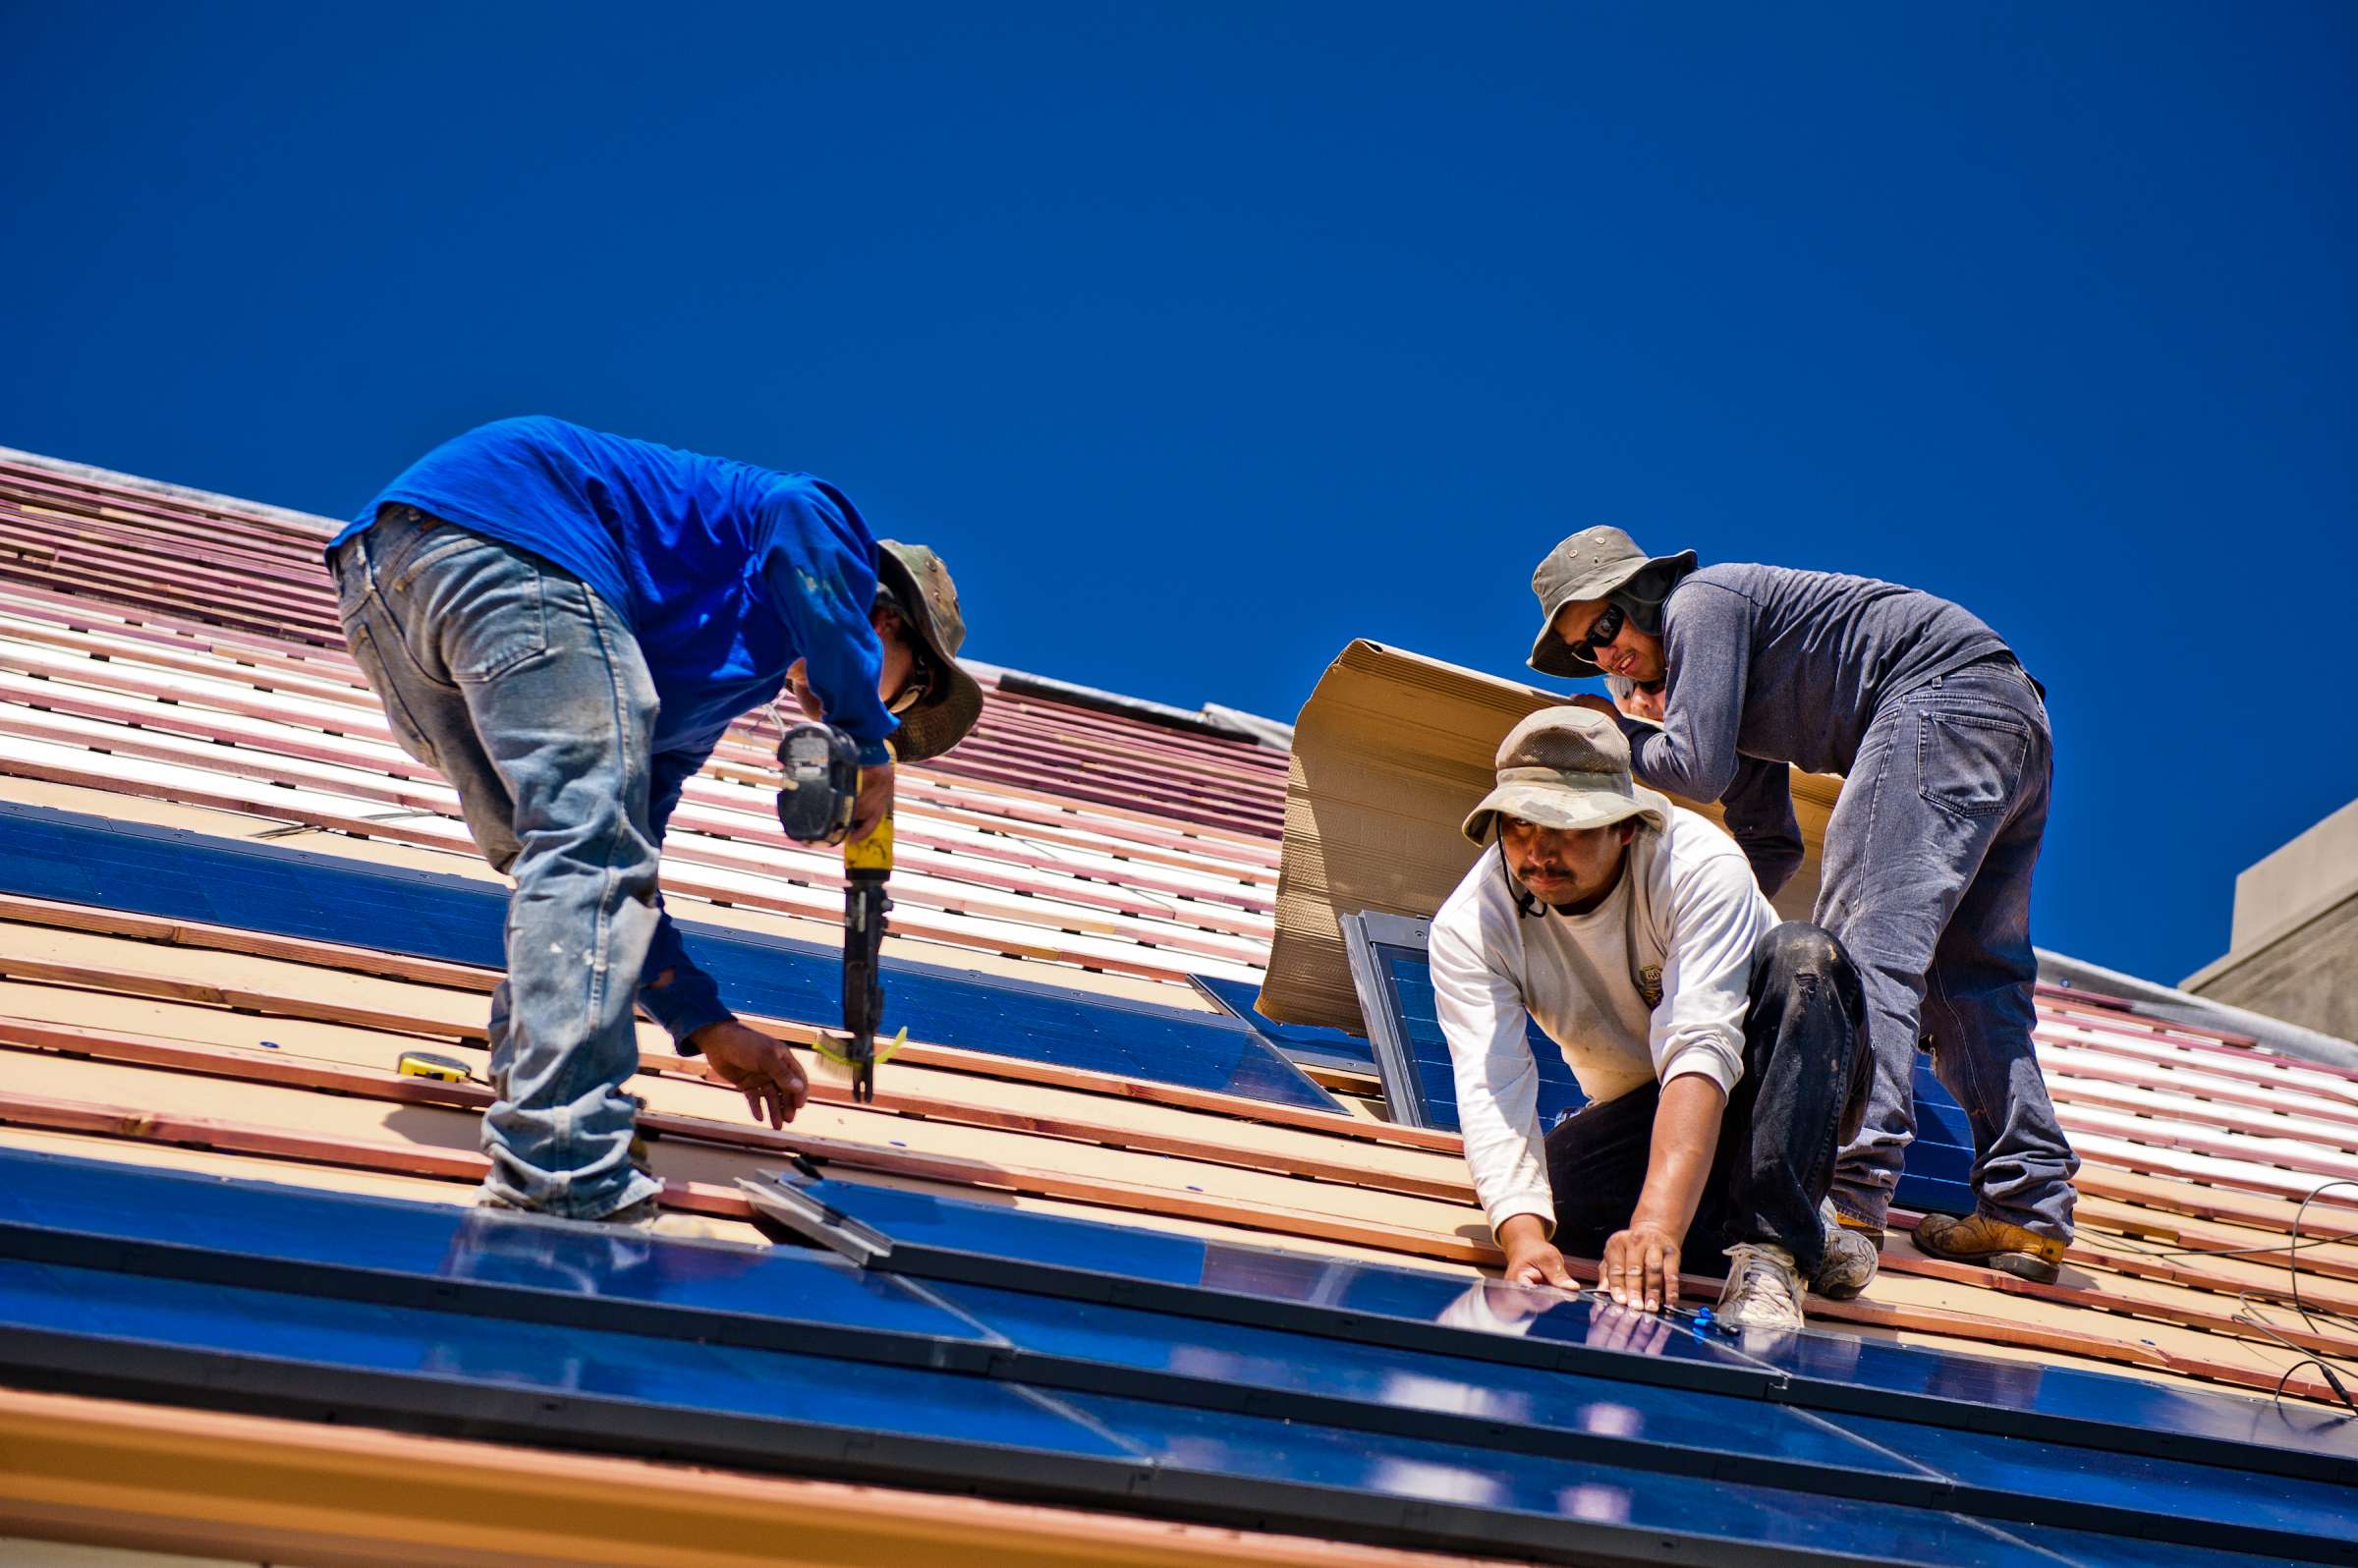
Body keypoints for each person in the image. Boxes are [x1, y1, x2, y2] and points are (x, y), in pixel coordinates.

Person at [326, 416, 982, 1223]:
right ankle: (561, 1160)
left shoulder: (704, 685)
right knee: (584, 851)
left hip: (392, 585)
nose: (891, 711)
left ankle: (532, 1098)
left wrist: (705, 1024)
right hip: (513, 539)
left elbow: (618, 871)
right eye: (908, 691)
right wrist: (868, 740)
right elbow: (801, 517)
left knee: (572, 854)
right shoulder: (827, 543)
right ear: (885, 625)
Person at [1527, 527, 2077, 1282]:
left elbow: (1693, 763)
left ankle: (1848, 1188)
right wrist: (1699, 945)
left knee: (1864, 957)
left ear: (1641, 594)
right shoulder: (1727, 685)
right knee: (1969, 986)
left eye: (1606, 627)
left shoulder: (1701, 603)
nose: (1605, 655)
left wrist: (1611, 732)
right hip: (2008, 722)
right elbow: (1769, 844)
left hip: (1938, 702)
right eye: (1586, 650)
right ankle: (2028, 1210)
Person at [1430, 707, 1873, 1329]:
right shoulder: (1471, 926)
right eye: (1519, 825)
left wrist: (1656, 1226)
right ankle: (1800, 1226)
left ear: (1627, 828)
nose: (1539, 851)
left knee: (1806, 957)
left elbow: (1702, 1044)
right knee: (1557, 1204)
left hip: (1770, 1072)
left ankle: (1775, 1252)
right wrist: (1524, 1241)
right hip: (1646, 1108)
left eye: (1567, 826)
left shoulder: (1696, 865)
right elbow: (1491, 1084)